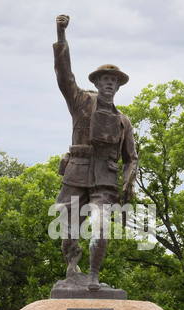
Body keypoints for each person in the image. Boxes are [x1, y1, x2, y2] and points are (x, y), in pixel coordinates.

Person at [53, 14, 138, 291]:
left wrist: (129, 182)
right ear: (98, 82)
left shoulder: (123, 121)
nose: (110, 83)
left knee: (101, 226)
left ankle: (92, 276)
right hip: (77, 172)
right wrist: (61, 34)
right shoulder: (80, 102)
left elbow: (131, 158)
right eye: (106, 79)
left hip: (105, 180)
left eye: (114, 80)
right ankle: (72, 269)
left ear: (118, 85)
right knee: (68, 228)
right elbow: (64, 76)